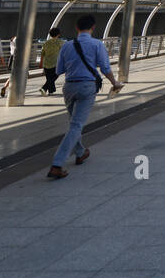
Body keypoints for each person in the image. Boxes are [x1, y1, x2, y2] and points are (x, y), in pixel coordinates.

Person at [47, 15, 122, 180]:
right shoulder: (97, 44)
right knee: (76, 125)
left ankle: (80, 152)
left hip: (69, 86)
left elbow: (59, 70)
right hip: (87, 87)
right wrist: (114, 82)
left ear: (76, 28)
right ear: (93, 27)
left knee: (74, 123)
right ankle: (57, 164)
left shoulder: (66, 46)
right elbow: (104, 67)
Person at [39, 27, 63, 95]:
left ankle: (51, 92)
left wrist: (41, 63)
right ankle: (44, 88)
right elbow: (64, 52)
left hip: (46, 64)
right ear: (58, 34)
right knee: (52, 78)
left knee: (49, 78)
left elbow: (42, 53)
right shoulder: (61, 42)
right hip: (56, 64)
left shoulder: (46, 43)